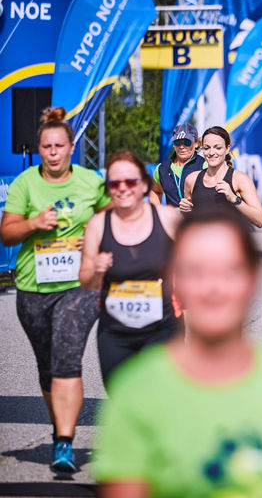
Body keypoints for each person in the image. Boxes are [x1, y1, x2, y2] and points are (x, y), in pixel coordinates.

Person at [92, 207, 262, 497]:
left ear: (254, 277)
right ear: (173, 278)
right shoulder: (135, 394)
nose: (213, 288)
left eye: (229, 271)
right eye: (195, 271)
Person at [0, 107, 111, 473]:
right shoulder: (25, 184)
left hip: (80, 286)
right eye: (46, 146)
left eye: (59, 146)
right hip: (33, 286)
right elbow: (7, 232)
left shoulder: (90, 181)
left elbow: (112, 218)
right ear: (39, 147)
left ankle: (64, 442)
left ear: (71, 146)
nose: (52, 152)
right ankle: (58, 427)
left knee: (66, 357)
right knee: (48, 367)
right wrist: (33, 223)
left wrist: (92, 238)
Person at [79, 150, 183, 385]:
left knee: (158, 395)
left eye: (130, 181)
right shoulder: (97, 225)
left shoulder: (168, 219)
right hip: (115, 332)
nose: (122, 188)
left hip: (162, 328)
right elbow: (85, 280)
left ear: (145, 185)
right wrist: (95, 269)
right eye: (114, 183)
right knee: (121, 395)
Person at [183, 126, 262, 228]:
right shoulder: (191, 179)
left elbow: (260, 220)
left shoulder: (240, 179)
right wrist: (184, 210)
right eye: (207, 148)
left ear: (227, 149)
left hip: (230, 243)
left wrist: (234, 199)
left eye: (218, 148)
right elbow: (187, 220)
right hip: (201, 242)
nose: (211, 153)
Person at [149, 123, 204, 207]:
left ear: (196, 143)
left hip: (197, 219)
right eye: (177, 142)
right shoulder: (162, 169)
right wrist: (157, 214)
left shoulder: (204, 165)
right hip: (172, 219)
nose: (181, 146)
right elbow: (155, 191)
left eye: (187, 142)